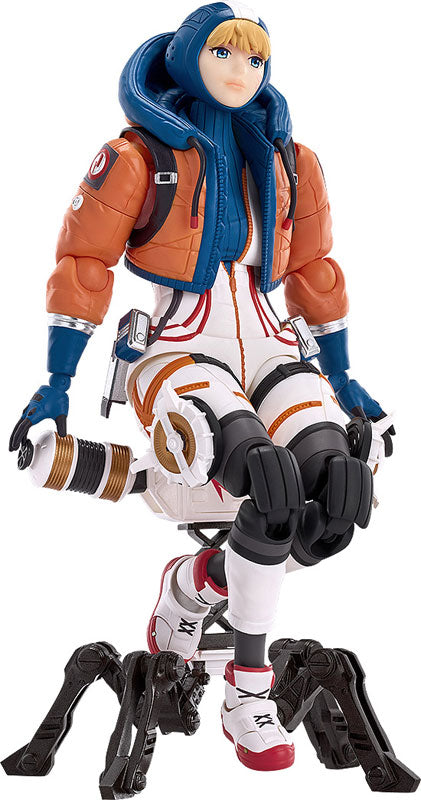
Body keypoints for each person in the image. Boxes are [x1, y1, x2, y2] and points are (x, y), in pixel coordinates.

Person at [9, 2, 393, 771]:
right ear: (188, 59)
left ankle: (197, 584)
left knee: (336, 490)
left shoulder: (290, 161)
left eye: (254, 59)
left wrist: (345, 378)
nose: (241, 71)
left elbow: (314, 271)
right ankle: (247, 693)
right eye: (223, 54)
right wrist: (55, 382)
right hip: (179, 346)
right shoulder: (136, 155)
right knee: (264, 474)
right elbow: (83, 264)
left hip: (274, 344)